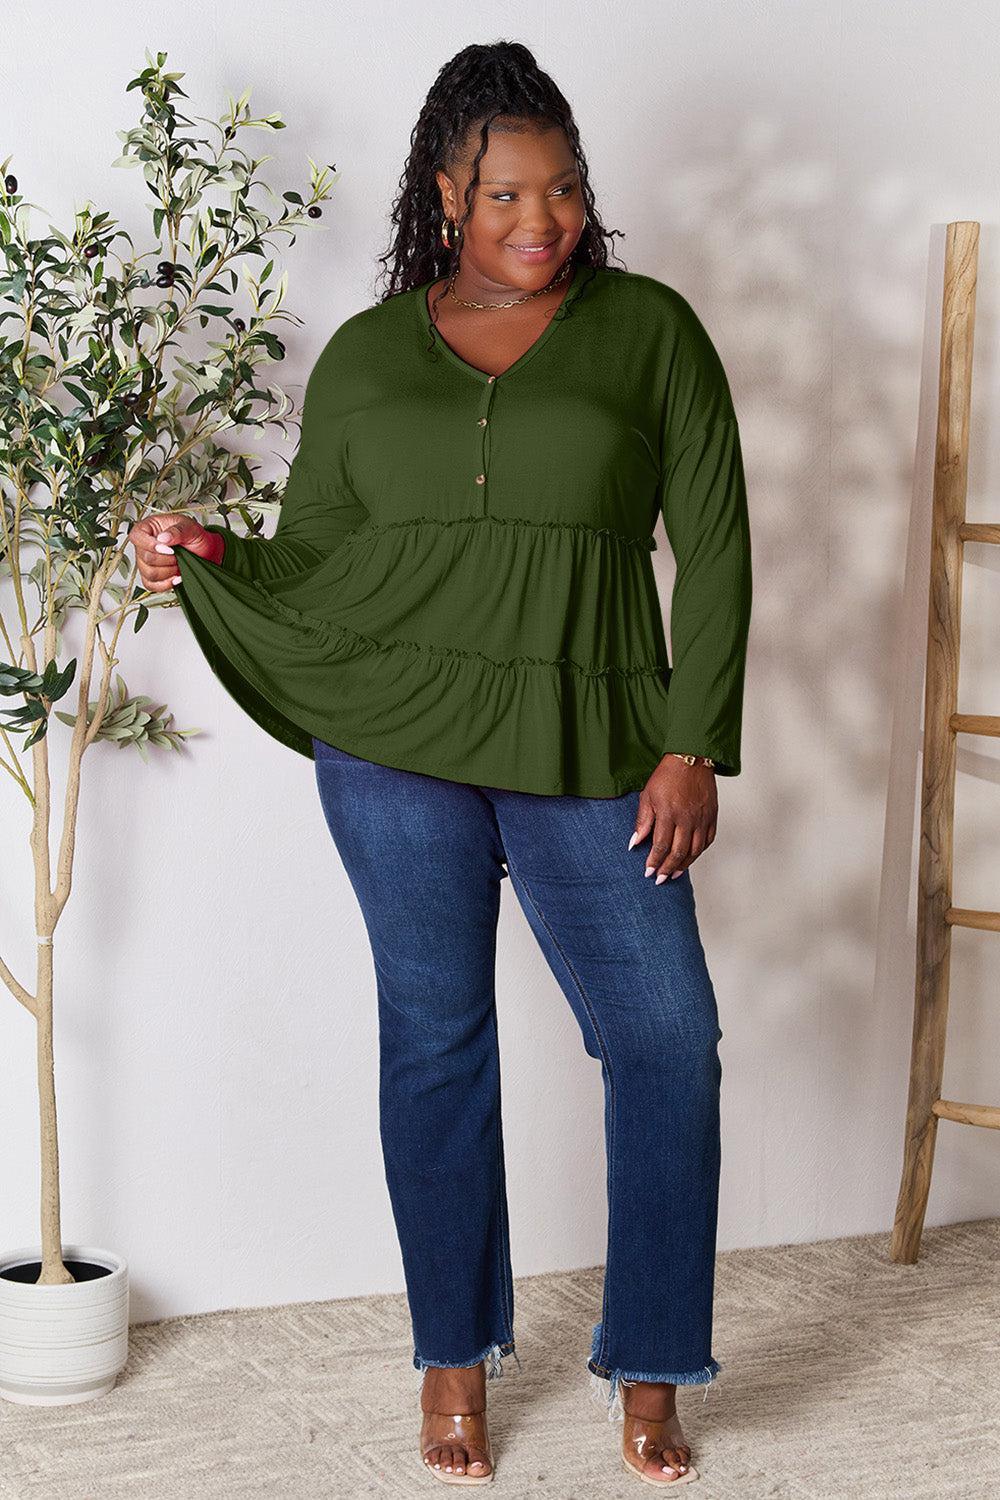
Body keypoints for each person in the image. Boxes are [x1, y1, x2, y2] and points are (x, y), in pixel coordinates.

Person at [128, 39, 751, 1489]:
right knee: (436, 1043)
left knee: (665, 1041)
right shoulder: (363, 356)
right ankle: (452, 1368)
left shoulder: (651, 332)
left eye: (566, 190)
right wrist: (216, 556)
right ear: (443, 193)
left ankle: (654, 1368)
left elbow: (713, 546)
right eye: (505, 193)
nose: (542, 220)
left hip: (592, 739)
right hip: (393, 746)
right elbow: (329, 563)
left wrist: (691, 740)